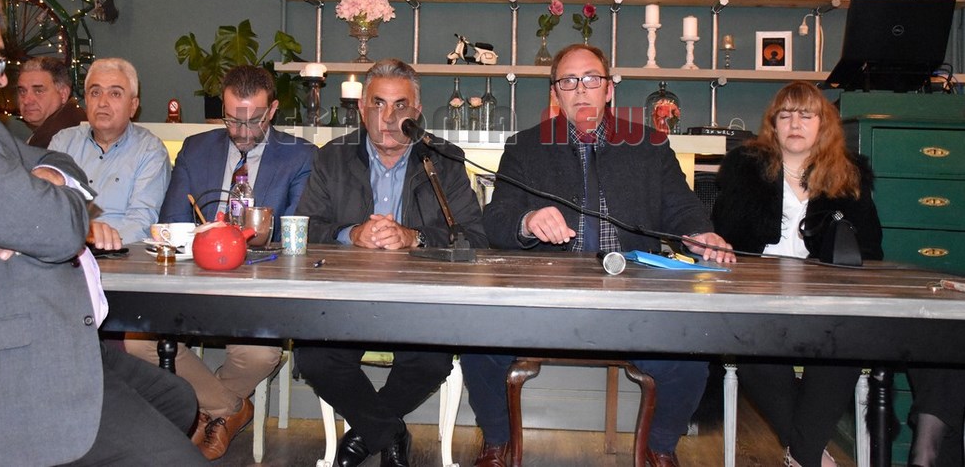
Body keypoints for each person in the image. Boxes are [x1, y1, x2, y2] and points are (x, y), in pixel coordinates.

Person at [0, 0, 204, 465]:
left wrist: (48, 181)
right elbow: (61, 229)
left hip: (55, 333)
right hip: (5, 365)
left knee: (178, 400)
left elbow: (58, 166)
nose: (2, 80)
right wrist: (47, 206)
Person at [478, 43, 734, 467]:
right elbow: (496, 218)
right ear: (554, 94)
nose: (581, 89)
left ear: (609, 89)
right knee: (479, 339)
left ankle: (660, 448)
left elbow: (682, 208)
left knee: (689, 353)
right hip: (546, 297)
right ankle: (496, 443)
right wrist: (527, 220)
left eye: (591, 79)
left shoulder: (650, 145)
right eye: (568, 81)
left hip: (633, 296)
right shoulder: (525, 147)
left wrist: (700, 234)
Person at [294, 58, 487, 467]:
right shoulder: (332, 157)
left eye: (400, 106)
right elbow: (304, 230)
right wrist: (351, 234)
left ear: (416, 112)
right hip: (346, 297)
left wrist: (414, 237)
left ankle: (366, 434)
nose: (388, 118)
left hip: (419, 300)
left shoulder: (443, 159)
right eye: (378, 104)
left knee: (430, 359)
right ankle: (389, 432)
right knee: (313, 356)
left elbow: (475, 237)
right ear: (362, 108)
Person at [127, 64, 315, 461]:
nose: (242, 131)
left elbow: (295, 235)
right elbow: (172, 222)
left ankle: (205, 413)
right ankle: (229, 409)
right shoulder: (196, 149)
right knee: (137, 343)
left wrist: (246, 235)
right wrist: (203, 234)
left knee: (260, 355)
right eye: (232, 120)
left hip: (259, 287)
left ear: (273, 109)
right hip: (195, 281)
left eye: (254, 120)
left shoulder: (299, 155)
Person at [712, 80, 883, 467]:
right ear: (773, 125)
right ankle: (809, 455)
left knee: (844, 347)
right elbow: (726, 238)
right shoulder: (746, 170)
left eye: (806, 115)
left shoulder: (848, 174)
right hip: (759, 295)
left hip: (827, 298)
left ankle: (802, 454)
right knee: (752, 347)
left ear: (823, 125)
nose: (795, 123)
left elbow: (870, 250)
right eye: (785, 115)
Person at [50, 57, 171, 245]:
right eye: (95, 92)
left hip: (120, 254)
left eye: (115, 94)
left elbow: (141, 224)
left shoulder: (150, 151)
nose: (102, 102)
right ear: (86, 101)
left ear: (133, 106)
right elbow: (47, 207)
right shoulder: (63, 143)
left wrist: (91, 241)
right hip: (64, 252)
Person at [16, 55, 87, 146]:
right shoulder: (74, 121)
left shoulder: (56, 138)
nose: (26, 101)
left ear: (63, 94)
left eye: (38, 91)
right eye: (22, 91)